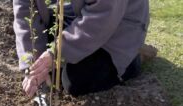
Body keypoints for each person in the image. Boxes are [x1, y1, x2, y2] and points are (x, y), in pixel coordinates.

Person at [13, 0, 150, 97]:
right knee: (53, 76)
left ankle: (132, 55)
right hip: (71, 17)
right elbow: (25, 13)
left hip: (117, 26)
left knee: (76, 81)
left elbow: (102, 17)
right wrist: (33, 64)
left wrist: (55, 53)